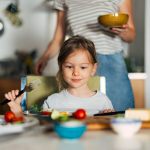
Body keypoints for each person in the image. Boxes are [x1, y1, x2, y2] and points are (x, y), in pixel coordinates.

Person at [35, 0, 135, 111]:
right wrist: (45, 57)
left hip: (111, 61)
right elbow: (58, 39)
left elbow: (131, 35)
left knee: (121, 114)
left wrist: (122, 31)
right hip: (78, 61)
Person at [5, 35, 114, 116]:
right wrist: (16, 109)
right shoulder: (52, 101)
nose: (76, 73)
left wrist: (110, 118)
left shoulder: (103, 101)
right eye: (69, 67)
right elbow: (35, 128)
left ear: (93, 69)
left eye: (83, 67)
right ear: (61, 67)